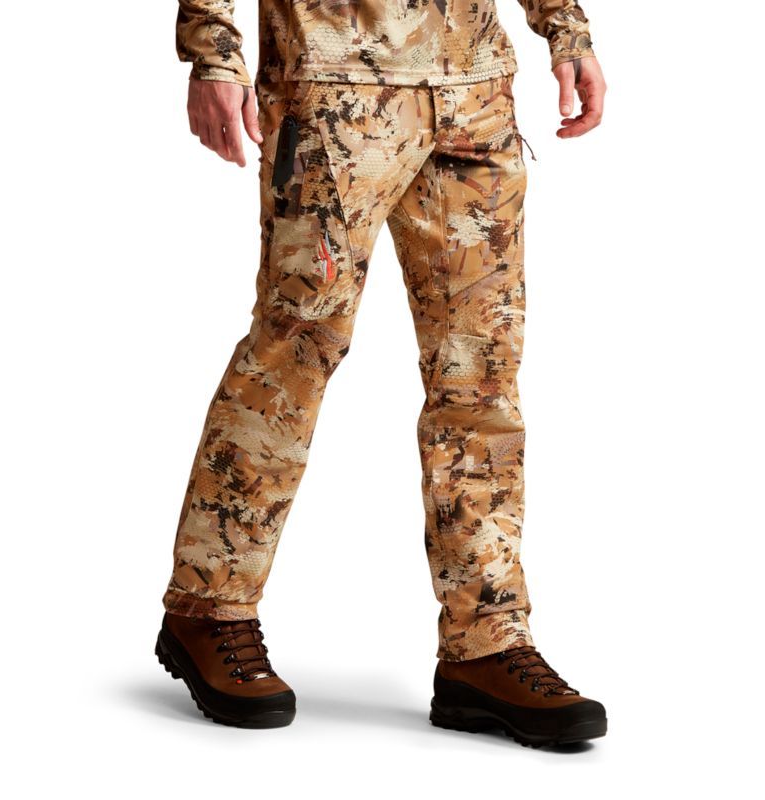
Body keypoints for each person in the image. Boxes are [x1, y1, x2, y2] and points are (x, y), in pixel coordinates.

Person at [155, 0, 608, 746]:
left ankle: (486, 640)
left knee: (481, 372)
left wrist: (566, 27)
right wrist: (214, 50)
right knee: (294, 353)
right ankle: (209, 608)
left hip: (474, 85)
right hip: (335, 81)